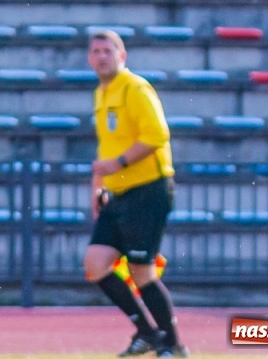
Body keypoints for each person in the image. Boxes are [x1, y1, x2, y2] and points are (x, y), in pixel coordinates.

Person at [85, 31, 186, 358]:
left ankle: (171, 345)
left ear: (122, 56)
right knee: (96, 263)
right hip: (118, 194)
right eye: (96, 51)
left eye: (108, 51)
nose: (102, 57)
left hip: (148, 189)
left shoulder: (135, 88)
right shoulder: (102, 93)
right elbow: (106, 150)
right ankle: (146, 332)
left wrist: (119, 163)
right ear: (90, 58)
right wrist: (98, 190)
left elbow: (157, 135)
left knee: (142, 272)